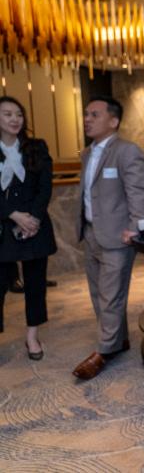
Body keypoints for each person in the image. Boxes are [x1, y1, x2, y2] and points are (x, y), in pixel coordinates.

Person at [72, 96, 144, 380]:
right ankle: (119, 340)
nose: (87, 119)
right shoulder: (87, 153)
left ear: (114, 121)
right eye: (86, 114)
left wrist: (135, 226)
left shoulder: (127, 151)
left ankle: (103, 351)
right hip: (91, 232)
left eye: (94, 114)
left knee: (110, 296)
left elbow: (138, 191)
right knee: (98, 294)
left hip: (118, 235)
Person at [0, 96, 57, 360]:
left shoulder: (36, 147)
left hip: (35, 225)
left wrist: (32, 218)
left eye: (19, 114)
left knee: (35, 284)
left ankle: (32, 336)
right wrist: (13, 215)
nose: (15, 119)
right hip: (3, 226)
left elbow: (45, 187)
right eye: (7, 114)